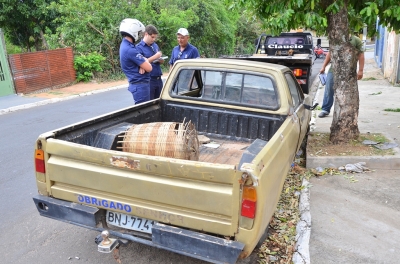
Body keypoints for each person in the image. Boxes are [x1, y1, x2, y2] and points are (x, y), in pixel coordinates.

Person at [318, 35, 364, 118]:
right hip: (334, 69)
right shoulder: (336, 37)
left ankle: (346, 111)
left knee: (348, 91)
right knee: (329, 88)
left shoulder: (356, 40)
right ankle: (325, 109)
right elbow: (330, 53)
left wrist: (360, 70)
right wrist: (323, 66)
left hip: (349, 71)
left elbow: (361, 55)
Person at [119, 18, 152, 104]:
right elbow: (149, 68)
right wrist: (144, 62)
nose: (139, 35)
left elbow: (143, 62)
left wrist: (143, 61)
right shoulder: (130, 49)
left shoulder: (126, 45)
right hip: (140, 85)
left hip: (138, 84)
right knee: (144, 112)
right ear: (133, 31)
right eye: (138, 32)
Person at [136, 25, 164, 99]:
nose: (153, 39)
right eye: (152, 37)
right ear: (146, 34)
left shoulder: (155, 45)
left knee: (160, 102)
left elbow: (159, 60)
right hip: (149, 80)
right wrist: (156, 56)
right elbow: (141, 63)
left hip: (159, 79)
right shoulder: (139, 48)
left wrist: (160, 60)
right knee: (150, 103)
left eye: (155, 37)